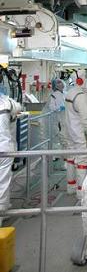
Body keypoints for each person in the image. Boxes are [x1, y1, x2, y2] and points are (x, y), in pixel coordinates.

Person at [64, 75, 87, 198]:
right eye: (86, 79)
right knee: (82, 159)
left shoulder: (70, 92)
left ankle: (71, 186)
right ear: (81, 80)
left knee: (71, 157)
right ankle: (81, 191)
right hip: (80, 132)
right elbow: (86, 118)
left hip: (70, 131)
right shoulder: (81, 97)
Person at [0, 82, 21, 226]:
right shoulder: (6, 102)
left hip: (5, 147)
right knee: (2, 182)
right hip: (4, 149)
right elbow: (18, 108)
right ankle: (1, 213)